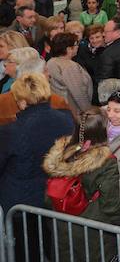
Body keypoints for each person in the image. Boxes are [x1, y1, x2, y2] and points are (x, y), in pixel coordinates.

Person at [0, 73, 74, 261]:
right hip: (57, 196)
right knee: (55, 247)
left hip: (21, 201)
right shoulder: (66, 119)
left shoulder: (11, 131)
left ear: (21, 101)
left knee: (25, 252)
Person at [43, 107, 120, 262]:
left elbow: (50, 196)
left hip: (61, 228)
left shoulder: (61, 154)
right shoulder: (106, 162)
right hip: (94, 234)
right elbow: (110, 204)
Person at [46, 32, 93, 116]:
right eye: (75, 44)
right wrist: (88, 111)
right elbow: (78, 92)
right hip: (73, 111)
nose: (78, 47)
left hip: (57, 109)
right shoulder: (69, 66)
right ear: (68, 49)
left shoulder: (50, 62)